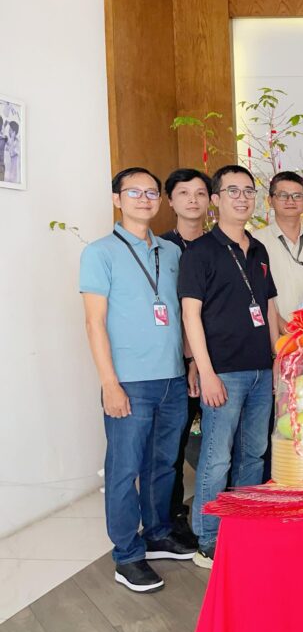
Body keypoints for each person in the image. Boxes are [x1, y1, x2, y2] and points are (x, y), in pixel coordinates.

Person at [80, 167, 194, 593]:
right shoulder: (100, 252)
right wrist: (110, 382)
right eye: (134, 192)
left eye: (151, 192)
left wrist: (190, 367)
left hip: (171, 379)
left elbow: (180, 316)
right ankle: (126, 554)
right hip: (128, 381)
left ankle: (158, 533)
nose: (144, 199)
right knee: (125, 468)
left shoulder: (171, 251)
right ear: (117, 199)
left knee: (163, 464)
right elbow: (94, 323)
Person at [178, 165, 280, 568]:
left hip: (261, 370)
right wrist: (206, 373)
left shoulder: (259, 249)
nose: (242, 198)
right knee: (216, 458)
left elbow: (269, 308)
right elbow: (190, 316)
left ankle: (246, 525)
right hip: (224, 373)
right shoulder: (200, 252)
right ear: (215, 200)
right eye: (232, 191)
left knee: (253, 454)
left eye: (248, 191)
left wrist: (278, 360)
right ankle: (209, 537)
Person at [159, 168, 212, 543]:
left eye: (200, 193)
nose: (193, 200)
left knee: (219, 441)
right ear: (170, 200)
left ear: (211, 200)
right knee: (172, 446)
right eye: (184, 193)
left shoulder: (221, 246)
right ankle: (172, 518)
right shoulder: (159, 248)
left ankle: (218, 510)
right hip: (174, 361)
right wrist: (190, 358)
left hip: (219, 360)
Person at [252, 171, 303, 333]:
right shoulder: (255, 242)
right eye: (282, 195)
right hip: (274, 340)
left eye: (297, 196)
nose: (290, 201)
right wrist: (286, 329)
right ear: (270, 200)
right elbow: (254, 294)